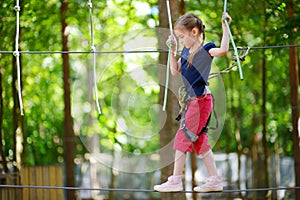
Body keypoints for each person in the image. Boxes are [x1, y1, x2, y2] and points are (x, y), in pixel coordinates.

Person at [154, 12, 232, 193]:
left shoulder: (207, 50)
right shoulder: (185, 52)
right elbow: (174, 71)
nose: (181, 40)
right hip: (194, 102)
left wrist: (225, 28)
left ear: (194, 32)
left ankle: (175, 180)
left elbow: (224, 50)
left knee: (183, 137)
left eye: (182, 37)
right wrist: (172, 52)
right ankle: (214, 180)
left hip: (201, 101)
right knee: (199, 141)